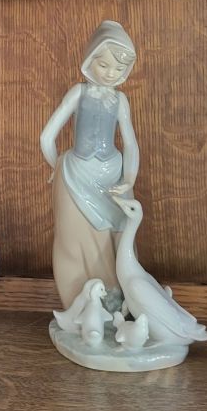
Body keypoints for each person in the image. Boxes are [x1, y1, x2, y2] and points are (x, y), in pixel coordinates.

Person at [40, 21, 138, 308]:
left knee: (111, 235)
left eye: (118, 69)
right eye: (104, 65)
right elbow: (47, 136)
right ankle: (79, 301)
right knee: (74, 237)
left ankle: (112, 298)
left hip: (111, 176)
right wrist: (56, 166)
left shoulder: (120, 100)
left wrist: (129, 177)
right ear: (89, 59)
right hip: (76, 173)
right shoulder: (78, 92)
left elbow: (131, 143)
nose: (110, 74)